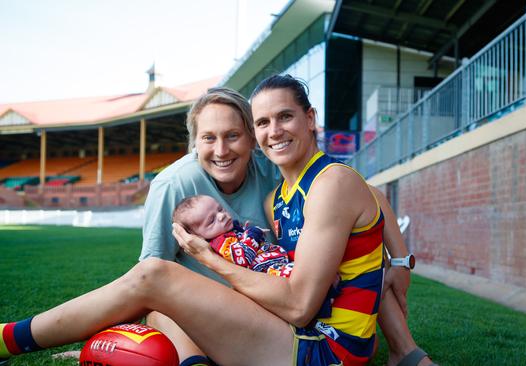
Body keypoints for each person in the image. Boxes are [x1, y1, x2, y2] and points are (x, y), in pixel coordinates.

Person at [0, 76, 395, 366]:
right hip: (301, 329)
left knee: (155, 277)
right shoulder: (283, 188)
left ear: (310, 119)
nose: (274, 132)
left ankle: (11, 338)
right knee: (156, 295)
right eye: (264, 123)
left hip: (322, 348)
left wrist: (401, 267)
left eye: (285, 117)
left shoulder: (322, 182)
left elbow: (298, 306)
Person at [139, 86, 433, 365]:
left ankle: (405, 349)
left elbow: (370, 195)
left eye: (233, 135)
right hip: (268, 300)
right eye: (265, 122)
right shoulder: (178, 184)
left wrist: (400, 261)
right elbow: (156, 271)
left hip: (305, 315)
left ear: (249, 139)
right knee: (156, 307)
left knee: (355, 245)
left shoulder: (281, 167)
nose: (221, 150)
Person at [173, 194, 292, 277]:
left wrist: (246, 231)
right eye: (211, 221)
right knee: (295, 274)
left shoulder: (231, 230)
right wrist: (253, 234)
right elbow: (242, 258)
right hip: (267, 272)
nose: (221, 216)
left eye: (220, 209)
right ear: (199, 237)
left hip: (278, 258)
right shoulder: (220, 243)